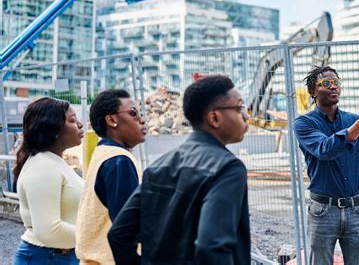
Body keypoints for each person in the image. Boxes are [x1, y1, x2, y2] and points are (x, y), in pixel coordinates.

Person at [108, 76, 251, 265]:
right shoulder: (227, 168)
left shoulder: (159, 166)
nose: (246, 116)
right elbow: (211, 245)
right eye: (239, 108)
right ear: (214, 118)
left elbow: (119, 234)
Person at [293, 66, 359, 265]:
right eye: (326, 83)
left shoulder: (353, 120)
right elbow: (325, 149)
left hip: (357, 210)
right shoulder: (304, 123)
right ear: (313, 91)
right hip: (323, 211)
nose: (333, 86)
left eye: (336, 82)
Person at [75, 89, 147, 264]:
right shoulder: (118, 161)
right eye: (133, 113)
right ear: (112, 120)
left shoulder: (104, 153)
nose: (142, 120)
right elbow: (127, 231)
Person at [13, 97, 84, 265]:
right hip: (48, 257)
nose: (80, 124)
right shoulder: (43, 167)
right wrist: (98, 235)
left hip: (60, 255)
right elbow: (49, 231)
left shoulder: (53, 162)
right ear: (53, 128)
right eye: (72, 120)